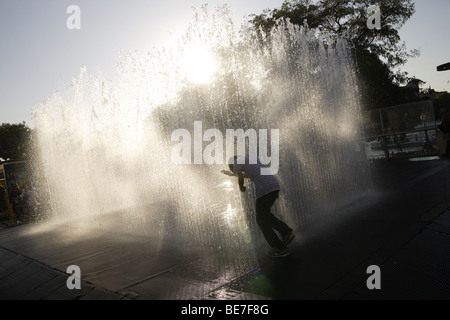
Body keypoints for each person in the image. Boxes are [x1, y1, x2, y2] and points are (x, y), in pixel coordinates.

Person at [222, 155, 295, 258]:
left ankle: (280, 248)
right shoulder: (250, 159)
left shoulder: (236, 163)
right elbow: (247, 175)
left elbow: (241, 176)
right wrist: (233, 174)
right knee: (265, 215)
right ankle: (286, 232)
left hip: (265, 190)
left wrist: (241, 186)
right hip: (273, 186)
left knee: (261, 220)